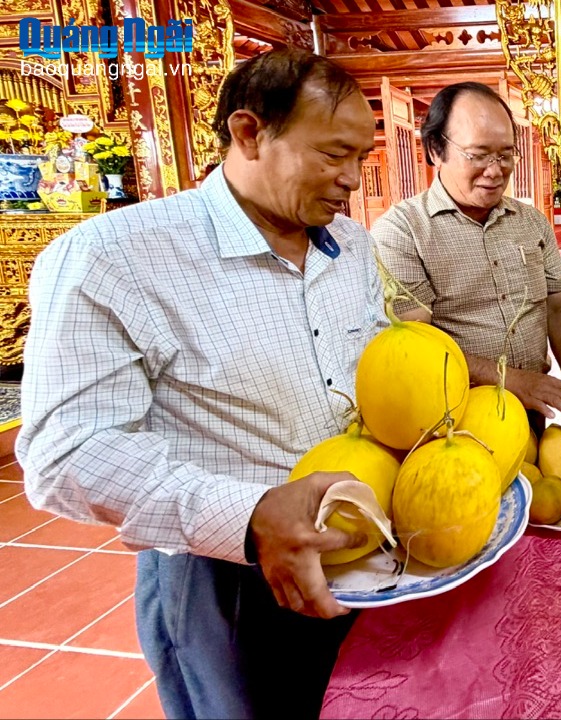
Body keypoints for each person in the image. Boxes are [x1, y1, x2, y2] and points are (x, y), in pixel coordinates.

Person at [17, 49, 382, 718]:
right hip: (224, 578)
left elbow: (374, 359)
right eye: (333, 154)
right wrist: (247, 518)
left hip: (351, 548)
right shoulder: (113, 257)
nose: (352, 180)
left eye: (361, 157)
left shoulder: (351, 246)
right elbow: (64, 454)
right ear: (249, 134)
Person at [373, 82, 561, 422]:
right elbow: (418, 343)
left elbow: (557, 306)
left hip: (534, 415)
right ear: (435, 150)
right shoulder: (403, 232)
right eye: (478, 155)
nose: (495, 170)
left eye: (505, 155)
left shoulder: (531, 221)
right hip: (458, 420)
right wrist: (513, 381)